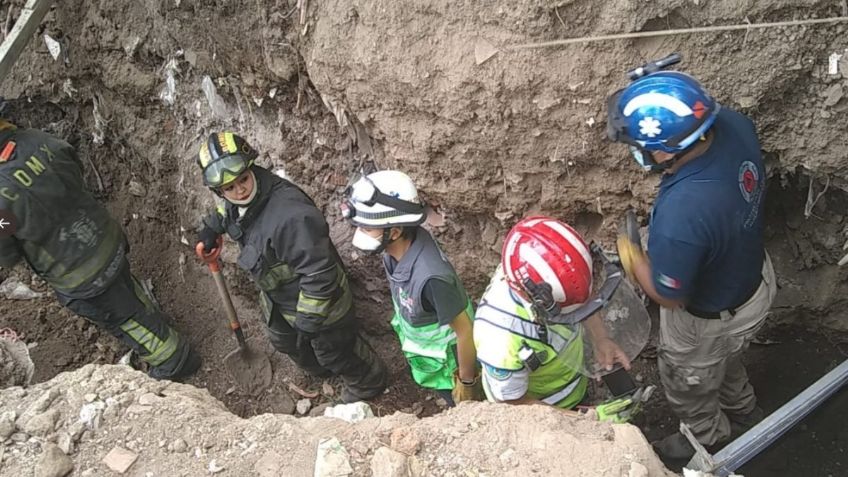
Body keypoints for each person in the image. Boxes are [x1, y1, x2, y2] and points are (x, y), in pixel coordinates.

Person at [607, 68, 776, 459]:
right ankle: (745, 409)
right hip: (754, 283)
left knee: (690, 381)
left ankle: (708, 436)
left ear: (665, 150)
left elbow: (668, 295)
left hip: (709, 319)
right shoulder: (733, 124)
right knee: (729, 358)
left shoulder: (683, 213)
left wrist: (633, 258)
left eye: (638, 143)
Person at [0, 120, 200, 381]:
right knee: (126, 286)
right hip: (106, 236)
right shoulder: (37, 140)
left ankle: (174, 359)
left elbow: (7, 252)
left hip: (79, 274)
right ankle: (154, 320)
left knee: (122, 318)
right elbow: (73, 162)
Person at [195, 132, 387, 402]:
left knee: (334, 348)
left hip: (321, 301)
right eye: (229, 187)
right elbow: (225, 210)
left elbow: (320, 275)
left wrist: (308, 322)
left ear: (252, 169)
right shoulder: (237, 201)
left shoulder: (290, 216)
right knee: (285, 341)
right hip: (279, 295)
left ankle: (367, 381)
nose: (239, 190)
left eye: (243, 180)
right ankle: (322, 371)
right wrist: (210, 229)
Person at [342, 170, 481, 406]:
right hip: (430, 362)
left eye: (367, 228)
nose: (360, 234)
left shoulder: (432, 278)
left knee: (460, 408)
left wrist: (467, 383)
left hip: (449, 367)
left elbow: (465, 331)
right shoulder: (393, 251)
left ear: (394, 231)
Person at [473, 216, 631, 409]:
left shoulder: (550, 272)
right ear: (534, 300)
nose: (579, 311)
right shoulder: (499, 342)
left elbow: (581, 296)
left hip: (569, 382)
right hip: (545, 414)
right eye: (569, 310)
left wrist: (600, 338)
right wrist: (584, 419)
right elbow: (513, 405)